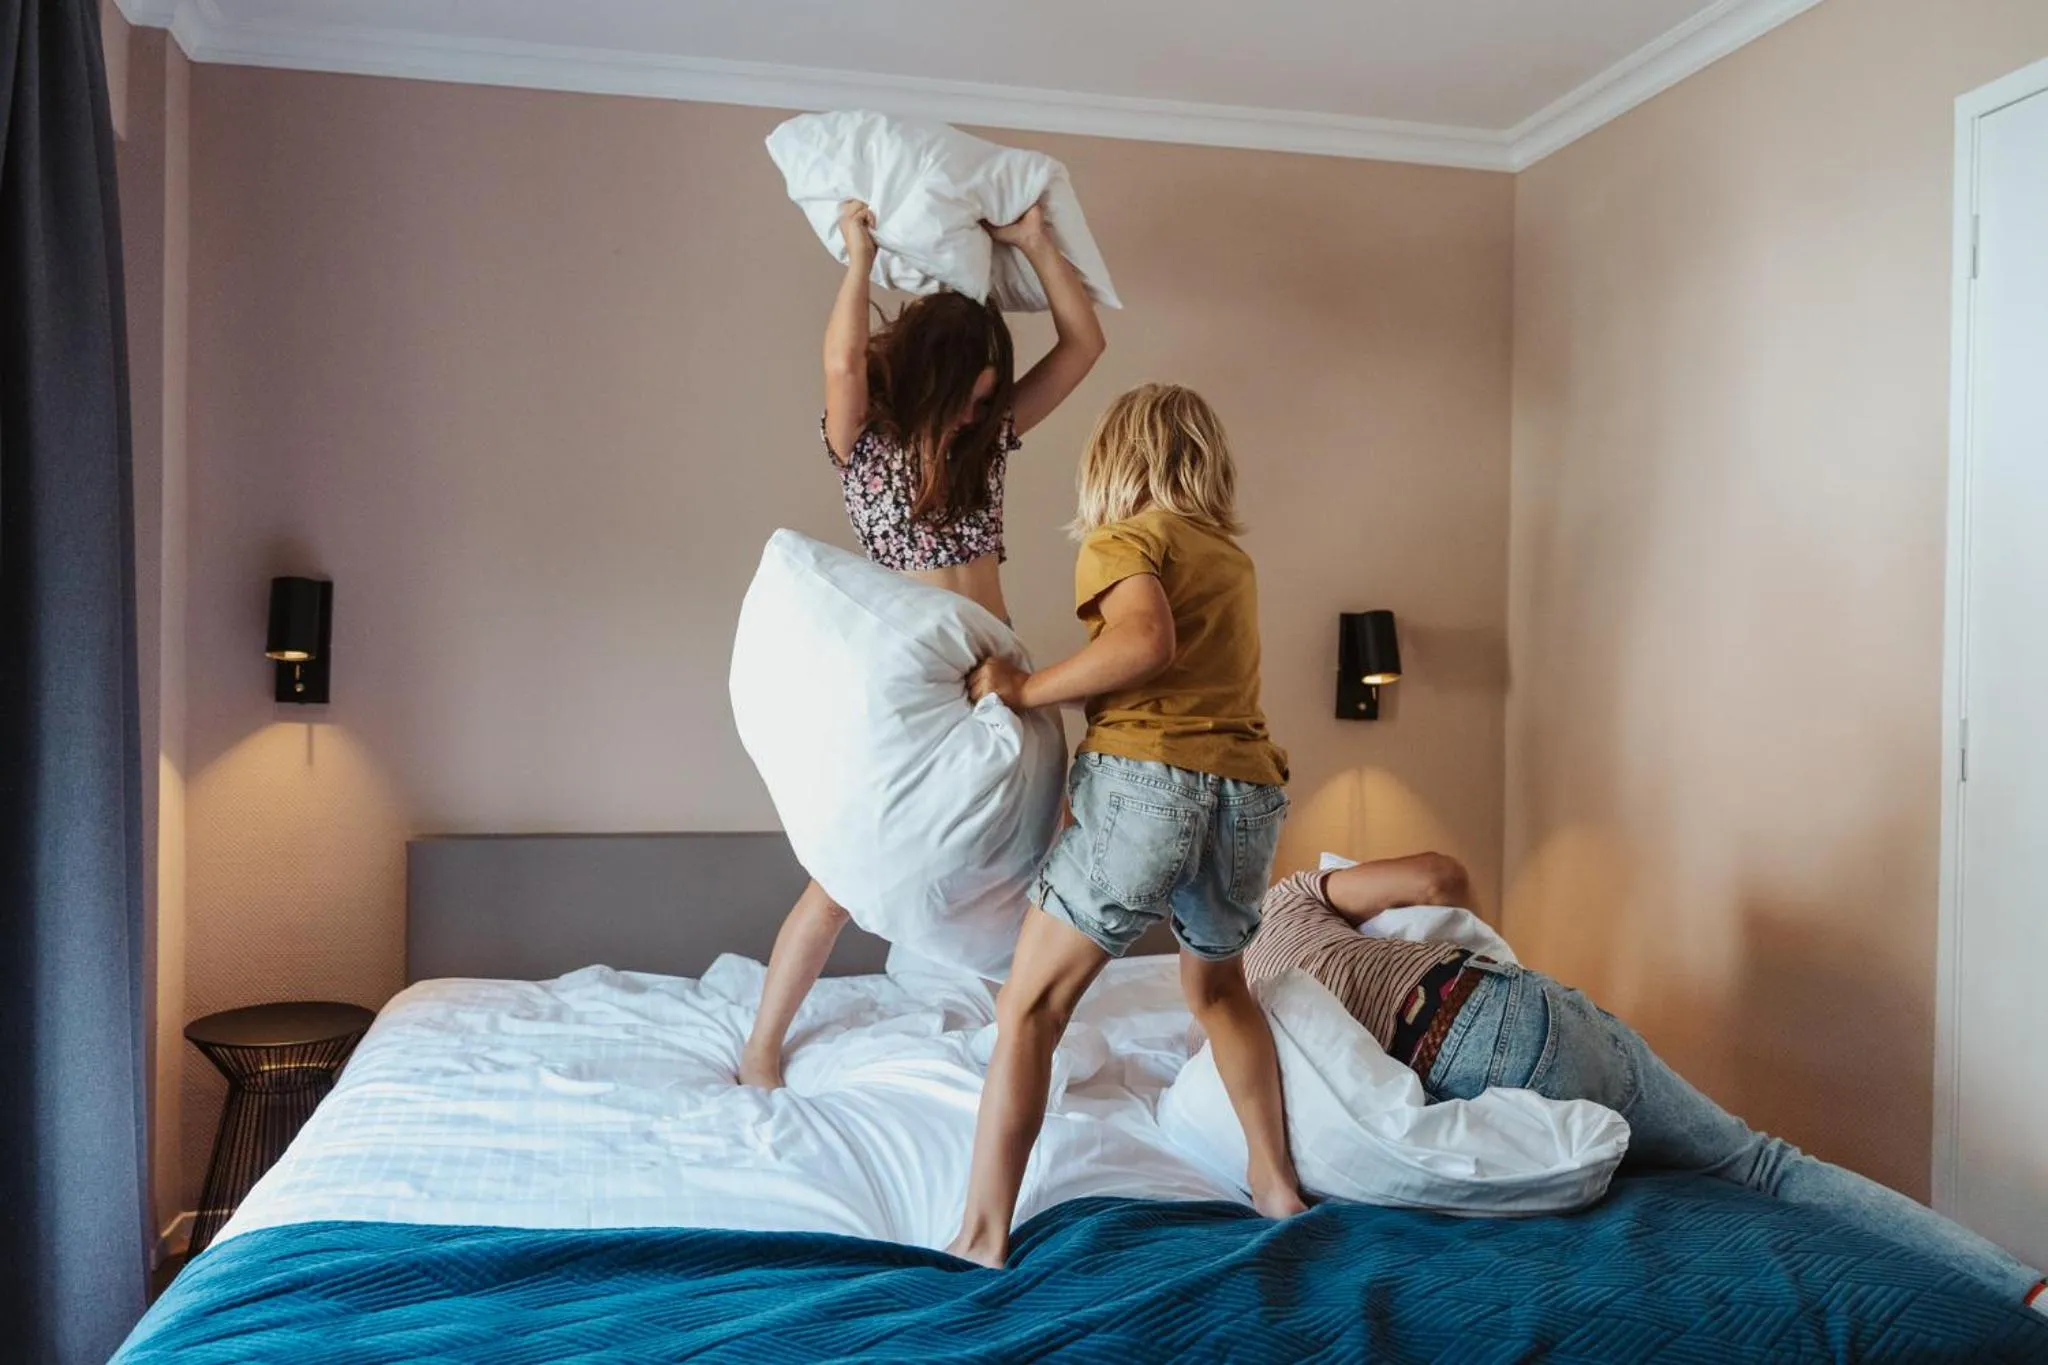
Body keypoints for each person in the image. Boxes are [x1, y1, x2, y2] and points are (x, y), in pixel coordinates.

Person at [1245, 852, 2048, 1316]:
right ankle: (2025, 1290)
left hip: (1456, 1080)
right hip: (1501, 1007)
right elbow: (1436, 874)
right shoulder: (1292, 898)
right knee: (1762, 1165)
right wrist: (1494, 958)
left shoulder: (1225, 993)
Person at [739, 197, 1106, 1090]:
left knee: (1030, 872)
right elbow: (839, 357)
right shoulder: (866, 445)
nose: (983, 407)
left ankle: (1017, 1037)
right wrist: (858, 256)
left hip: (996, 681)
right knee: (840, 880)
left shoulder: (991, 443)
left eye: (992, 393)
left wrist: (1037, 246)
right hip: (914, 699)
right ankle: (760, 1049)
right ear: (933, 374)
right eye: (973, 390)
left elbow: (1084, 345)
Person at [947, 383, 1307, 1269]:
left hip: (1151, 789)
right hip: (1247, 798)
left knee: (1030, 1005)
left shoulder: (1124, 539)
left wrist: (1021, 689)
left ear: (1113, 460)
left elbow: (1146, 646)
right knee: (1221, 992)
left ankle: (982, 1234)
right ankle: (1277, 1187)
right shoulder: (1228, 558)